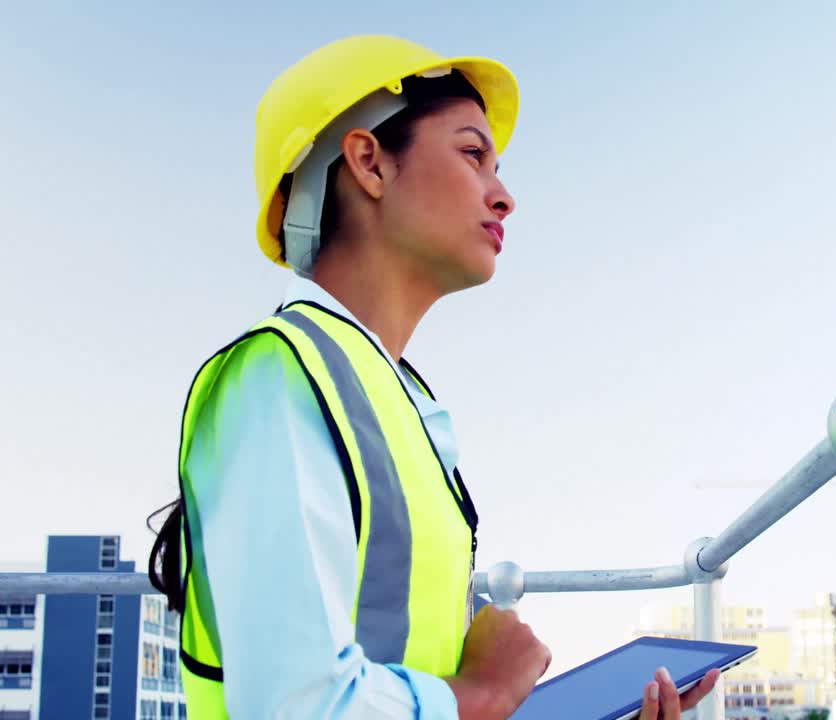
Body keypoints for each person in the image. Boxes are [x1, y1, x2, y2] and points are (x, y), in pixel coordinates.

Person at [147, 34, 720, 719]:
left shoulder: (395, 395)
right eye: (473, 155)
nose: (504, 197)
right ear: (369, 163)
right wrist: (488, 691)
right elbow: (295, 705)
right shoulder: (276, 375)